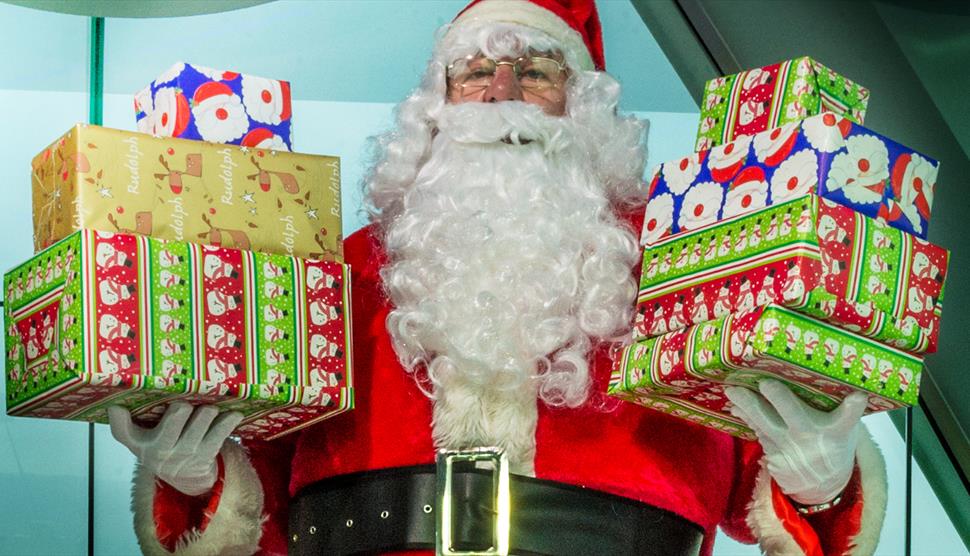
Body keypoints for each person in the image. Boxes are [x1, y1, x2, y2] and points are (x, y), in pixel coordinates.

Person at [108, 1, 887, 554]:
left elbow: (775, 503)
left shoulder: (683, 271)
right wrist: (191, 473)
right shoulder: (342, 271)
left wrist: (824, 482)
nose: (501, 94)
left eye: (538, 70)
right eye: (473, 70)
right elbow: (256, 505)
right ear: (436, 106)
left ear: (584, 108)